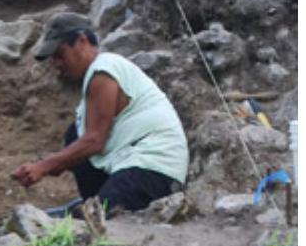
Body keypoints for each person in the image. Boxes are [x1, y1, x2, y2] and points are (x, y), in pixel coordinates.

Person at [11, 12, 188, 214]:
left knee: (90, 219)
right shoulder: (99, 75)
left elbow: (95, 141)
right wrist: (54, 164)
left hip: (153, 170)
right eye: (53, 59)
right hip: (139, 167)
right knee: (74, 133)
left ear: (82, 41)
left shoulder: (103, 70)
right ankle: (93, 203)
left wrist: (44, 166)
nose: (57, 64)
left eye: (60, 54)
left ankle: (95, 209)